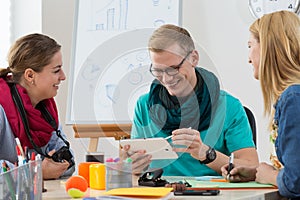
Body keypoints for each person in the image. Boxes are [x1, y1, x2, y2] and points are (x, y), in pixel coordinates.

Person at [122, 24, 258, 178]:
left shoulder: (228, 106)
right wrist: (132, 165)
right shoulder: (144, 105)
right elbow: (135, 168)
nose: (166, 79)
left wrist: (205, 153)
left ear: (194, 58)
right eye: (158, 71)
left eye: (174, 68)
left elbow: (252, 167)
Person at [221, 11, 300, 198]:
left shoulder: (293, 98)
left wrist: (270, 175)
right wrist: (258, 172)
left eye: (250, 46)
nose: (249, 58)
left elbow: (296, 183)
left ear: (268, 48)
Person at [0, 33, 75, 179]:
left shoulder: (46, 110)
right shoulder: (2, 108)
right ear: (30, 76)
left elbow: (68, 166)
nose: (63, 76)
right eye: (56, 70)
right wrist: (34, 171)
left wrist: (59, 163)